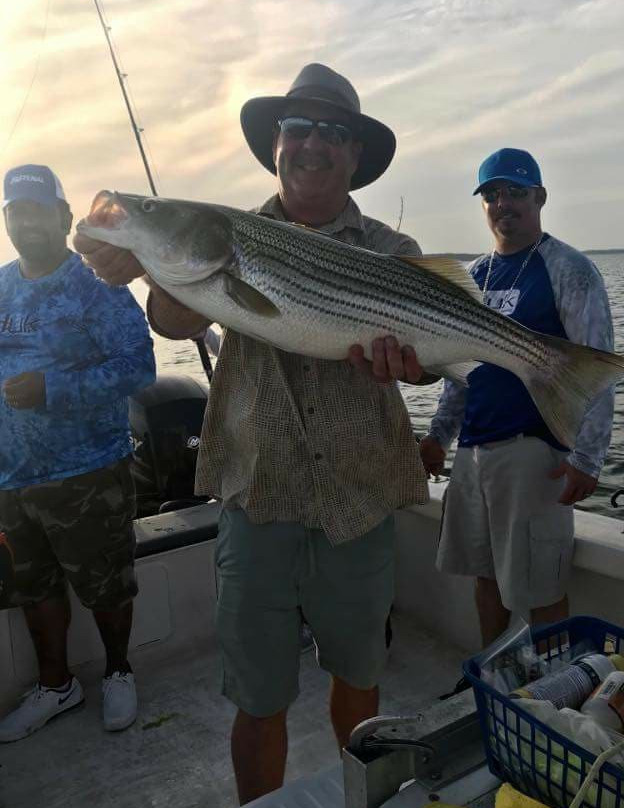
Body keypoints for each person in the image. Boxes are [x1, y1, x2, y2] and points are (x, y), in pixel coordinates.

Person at [73, 64, 429, 804]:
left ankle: (357, 795)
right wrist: (138, 255)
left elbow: (423, 367)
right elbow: (173, 320)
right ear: (275, 144)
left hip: (358, 497)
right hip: (254, 490)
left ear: (355, 154)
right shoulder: (228, 237)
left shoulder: (394, 250)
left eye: (334, 132)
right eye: (297, 128)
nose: (313, 144)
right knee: (258, 695)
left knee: (359, 680)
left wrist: (416, 364)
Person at [420, 148, 617, 647]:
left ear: (541, 197)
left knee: (541, 586)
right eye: (491, 194)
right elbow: (460, 374)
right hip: (473, 453)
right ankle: (492, 676)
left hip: (534, 454)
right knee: (485, 576)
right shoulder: (473, 276)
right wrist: (439, 436)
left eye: (515, 192)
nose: (502, 203)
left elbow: (595, 370)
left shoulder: (569, 269)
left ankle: (550, 690)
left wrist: (588, 458)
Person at [0, 165, 156, 742]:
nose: (27, 220)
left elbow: (140, 368)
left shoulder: (98, 288)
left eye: (38, 209)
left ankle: (119, 671)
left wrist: (54, 390)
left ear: (64, 219)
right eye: (16, 210)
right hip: (12, 478)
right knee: (32, 588)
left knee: (107, 585)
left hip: (89, 472)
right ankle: (56, 684)